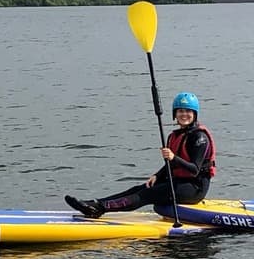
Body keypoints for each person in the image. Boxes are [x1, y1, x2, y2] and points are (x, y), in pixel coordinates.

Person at [66, 92, 214, 219]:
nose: (184, 114)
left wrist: (173, 157)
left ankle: (101, 209)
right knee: (138, 188)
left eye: (188, 111)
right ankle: (94, 203)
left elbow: (194, 169)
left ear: (195, 114)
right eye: (180, 111)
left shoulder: (199, 137)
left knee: (146, 195)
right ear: (175, 114)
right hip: (178, 181)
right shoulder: (175, 135)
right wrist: (157, 175)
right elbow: (172, 164)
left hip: (195, 188)